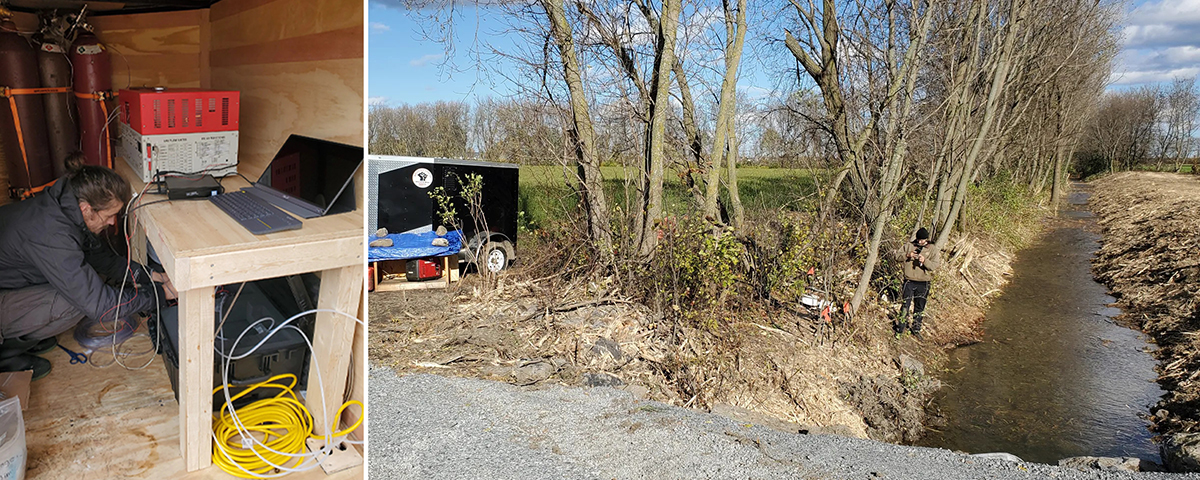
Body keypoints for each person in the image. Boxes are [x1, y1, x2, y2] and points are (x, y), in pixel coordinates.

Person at [0, 160, 176, 379]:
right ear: (86, 209)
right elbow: (99, 307)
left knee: (91, 280)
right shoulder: (52, 234)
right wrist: (162, 295)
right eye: (110, 215)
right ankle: (5, 355)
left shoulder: (65, 208)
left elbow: (102, 259)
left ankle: (25, 333)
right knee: (74, 303)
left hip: (14, 281)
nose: (113, 222)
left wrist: (153, 276)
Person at [893, 227, 941, 339]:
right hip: (909, 281)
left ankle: (916, 329)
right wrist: (908, 255)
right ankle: (900, 329)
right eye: (919, 240)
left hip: (924, 282)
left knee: (920, 307)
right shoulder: (909, 246)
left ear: (926, 239)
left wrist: (925, 261)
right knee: (905, 305)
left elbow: (934, 266)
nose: (920, 242)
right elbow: (897, 256)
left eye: (922, 240)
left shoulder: (932, 248)